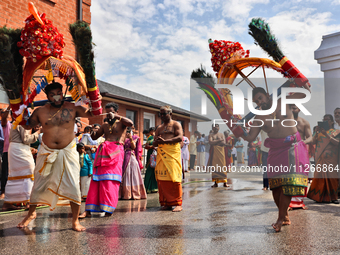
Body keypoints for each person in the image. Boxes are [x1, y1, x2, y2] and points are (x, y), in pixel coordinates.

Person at [17, 81, 94, 231]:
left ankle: (75, 221)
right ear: (47, 96)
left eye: (58, 93)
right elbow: (27, 125)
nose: (56, 97)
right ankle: (31, 214)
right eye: (52, 95)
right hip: (47, 151)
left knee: (73, 185)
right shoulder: (40, 111)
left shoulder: (73, 108)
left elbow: (92, 114)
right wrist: (19, 113)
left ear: (63, 93)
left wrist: (93, 100)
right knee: (39, 184)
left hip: (68, 150)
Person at [241, 86, 310, 232]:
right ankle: (284, 216)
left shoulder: (284, 101)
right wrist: (238, 130)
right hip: (274, 151)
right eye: (256, 102)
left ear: (267, 94)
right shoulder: (258, 118)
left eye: (260, 98)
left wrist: (301, 82)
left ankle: (279, 219)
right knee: (275, 187)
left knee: (287, 183)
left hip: (291, 147)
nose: (259, 103)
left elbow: (305, 93)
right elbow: (250, 138)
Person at [79, 102, 133, 218]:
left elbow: (131, 123)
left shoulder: (122, 123)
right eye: (107, 112)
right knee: (96, 180)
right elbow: (94, 137)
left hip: (116, 152)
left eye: (111, 112)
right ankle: (88, 210)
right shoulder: (104, 126)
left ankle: (108, 208)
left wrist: (116, 117)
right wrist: (92, 131)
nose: (108, 115)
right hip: (103, 152)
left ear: (116, 112)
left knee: (110, 180)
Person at [2, 125, 40, 210]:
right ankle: (30, 202)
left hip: (15, 149)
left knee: (14, 176)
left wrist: (29, 148)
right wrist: (38, 132)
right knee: (29, 172)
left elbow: (19, 139)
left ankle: (7, 202)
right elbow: (26, 139)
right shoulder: (24, 121)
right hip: (20, 151)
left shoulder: (18, 120)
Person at [153, 106, 183, 212]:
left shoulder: (176, 124)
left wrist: (165, 141)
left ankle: (178, 204)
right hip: (161, 153)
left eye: (164, 113)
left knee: (174, 177)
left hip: (172, 154)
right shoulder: (159, 128)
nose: (162, 116)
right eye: (160, 114)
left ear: (170, 114)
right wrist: (156, 141)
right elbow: (154, 142)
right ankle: (166, 203)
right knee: (162, 178)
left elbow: (180, 137)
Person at [307, 114, 340, 204]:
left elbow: (337, 143)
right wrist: (316, 132)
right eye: (324, 120)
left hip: (331, 159)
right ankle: (318, 197)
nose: (325, 122)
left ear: (332, 122)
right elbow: (313, 141)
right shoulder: (319, 133)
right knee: (319, 177)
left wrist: (327, 135)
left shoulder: (336, 132)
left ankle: (333, 197)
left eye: (327, 120)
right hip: (320, 158)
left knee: (332, 177)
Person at [288, 105, 313, 209]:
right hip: (287, 150)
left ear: (299, 109)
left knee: (302, 175)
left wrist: (302, 142)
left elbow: (310, 137)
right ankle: (288, 201)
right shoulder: (284, 122)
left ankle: (299, 201)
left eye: (295, 107)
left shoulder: (304, 122)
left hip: (301, 150)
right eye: (291, 107)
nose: (293, 109)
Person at [119, 126, 147, 200]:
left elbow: (134, 147)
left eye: (129, 130)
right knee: (126, 174)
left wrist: (131, 139)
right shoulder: (122, 138)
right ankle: (125, 194)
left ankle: (134, 193)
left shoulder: (135, 137)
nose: (127, 131)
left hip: (131, 156)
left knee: (133, 173)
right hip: (124, 156)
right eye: (126, 130)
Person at [0, 107, 11, 200]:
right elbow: (4, 118)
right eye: (2, 112)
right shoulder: (4, 124)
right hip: (6, 151)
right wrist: (11, 106)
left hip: (15, 151)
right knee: (5, 172)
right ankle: (3, 191)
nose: (4, 114)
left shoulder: (14, 124)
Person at [144, 127, 158, 193]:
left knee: (157, 170)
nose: (152, 132)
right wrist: (153, 147)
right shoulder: (150, 138)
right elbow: (146, 146)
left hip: (159, 154)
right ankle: (147, 187)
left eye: (153, 131)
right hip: (151, 154)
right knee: (150, 169)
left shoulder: (160, 137)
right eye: (151, 131)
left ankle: (156, 187)